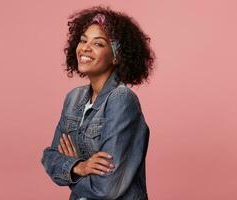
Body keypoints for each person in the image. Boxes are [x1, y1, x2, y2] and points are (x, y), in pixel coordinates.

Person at [41, 5, 155, 200]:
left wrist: (71, 171)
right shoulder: (73, 98)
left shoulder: (121, 99)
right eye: (83, 40)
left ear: (116, 55)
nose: (85, 47)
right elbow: (49, 157)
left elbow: (108, 187)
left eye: (98, 44)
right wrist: (81, 166)